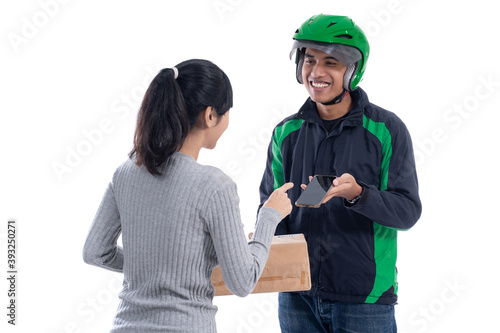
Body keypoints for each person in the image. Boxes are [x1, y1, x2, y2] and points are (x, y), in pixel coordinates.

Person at [82, 59, 293, 333]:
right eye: (227, 112)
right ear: (210, 115)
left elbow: (94, 252)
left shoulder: (125, 173)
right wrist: (269, 216)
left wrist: (153, 272)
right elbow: (242, 282)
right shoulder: (215, 186)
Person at [258, 14, 422, 332]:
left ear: (352, 70)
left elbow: (407, 212)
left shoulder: (386, 130)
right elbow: (270, 204)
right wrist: (265, 235)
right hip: (296, 298)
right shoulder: (286, 132)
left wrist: (359, 195)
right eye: (309, 60)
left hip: (364, 301)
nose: (316, 72)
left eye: (330, 62)